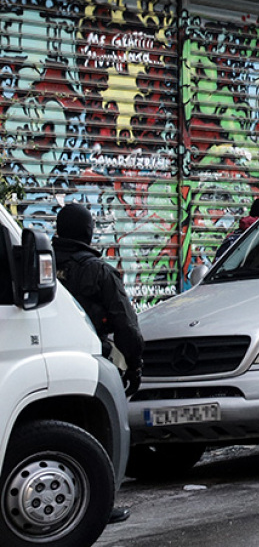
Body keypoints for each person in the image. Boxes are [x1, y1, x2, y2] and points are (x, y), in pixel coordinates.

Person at [52, 203, 144, 524]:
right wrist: (134, 365)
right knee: (98, 434)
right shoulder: (99, 271)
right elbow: (126, 326)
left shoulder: (37, 265)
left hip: (43, 362)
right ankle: (98, 504)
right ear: (89, 232)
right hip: (87, 362)